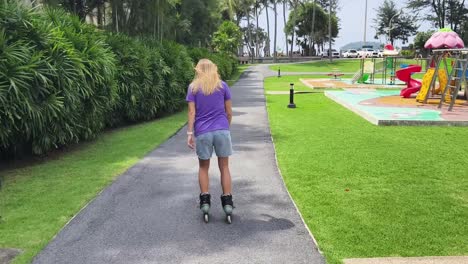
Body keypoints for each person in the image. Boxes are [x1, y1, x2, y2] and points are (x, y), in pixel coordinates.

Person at [186, 59, 234, 223]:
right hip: (222, 130)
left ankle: (205, 202)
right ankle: (227, 203)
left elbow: (192, 113)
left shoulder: (193, 88)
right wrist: (225, 127)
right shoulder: (222, 86)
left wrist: (190, 133)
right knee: (224, 166)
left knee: (203, 168)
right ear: (214, 69)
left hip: (203, 132)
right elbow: (229, 112)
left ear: (198, 70)